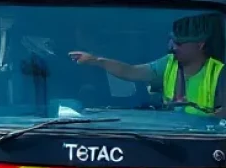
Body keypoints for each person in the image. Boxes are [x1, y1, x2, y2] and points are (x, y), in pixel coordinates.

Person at [70, 13, 226, 115]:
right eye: (172, 42)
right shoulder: (168, 63)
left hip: (201, 141)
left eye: (179, 43)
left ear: (199, 45)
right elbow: (131, 72)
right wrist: (96, 61)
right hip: (171, 134)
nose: (172, 47)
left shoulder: (219, 72)